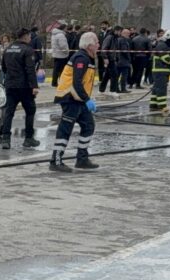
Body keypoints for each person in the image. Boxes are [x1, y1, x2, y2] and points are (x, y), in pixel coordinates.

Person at [51, 31, 100, 172]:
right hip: (70, 98)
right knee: (65, 129)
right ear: (89, 45)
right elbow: (76, 82)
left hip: (78, 99)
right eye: (96, 42)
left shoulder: (88, 58)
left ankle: (82, 159)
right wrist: (87, 100)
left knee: (89, 125)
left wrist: (86, 100)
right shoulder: (81, 58)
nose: (98, 45)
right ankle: (56, 161)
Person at [0, 28, 41, 150]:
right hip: (24, 86)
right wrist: (34, 86)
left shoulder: (8, 49)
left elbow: (4, 67)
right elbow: (30, 70)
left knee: (9, 112)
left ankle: (6, 139)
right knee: (30, 111)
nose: (30, 38)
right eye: (29, 36)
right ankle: (28, 138)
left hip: (10, 85)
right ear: (25, 36)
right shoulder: (28, 50)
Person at [150, 32, 170, 114]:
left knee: (156, 89)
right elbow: (165, 58)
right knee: (161, 89)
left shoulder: (162, 45)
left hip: (160, 70)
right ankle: (162, 106)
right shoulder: (162, 45)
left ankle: (153, 105)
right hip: (160, 71)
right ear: (168, 38)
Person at [98, 25, 121, 92]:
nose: (120, 33)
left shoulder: (115, 38)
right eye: (119, 31)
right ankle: (112, 91)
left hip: (112, 59)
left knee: (107, 75)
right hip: (109, 59)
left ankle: (101, 90)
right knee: (114, 75)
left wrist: (117, 58)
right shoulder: (110, 37)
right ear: (116, 31)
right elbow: (104, 48)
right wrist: (105, 58)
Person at [50, 20, 70, 86]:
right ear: (63, 28)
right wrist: (67, 51)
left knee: (56, 70)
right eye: (66, 28)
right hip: (62, 55)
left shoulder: (54, 34)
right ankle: (61, 82)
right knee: (61, 70)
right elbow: (63, 46)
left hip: (56, 54)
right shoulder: (61, 35)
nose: (67, 29)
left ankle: (54, 82)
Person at [114, 28, 132, 93]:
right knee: (124, 76)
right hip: (124, 61)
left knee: (117, 75)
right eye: (128, 33)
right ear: (124, 33)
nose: (129, 35)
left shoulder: (118, 39)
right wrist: (129, 58)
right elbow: (124, 51)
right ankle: (123, 88)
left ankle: (116, 88)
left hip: (118, 61)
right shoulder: (124, 40)